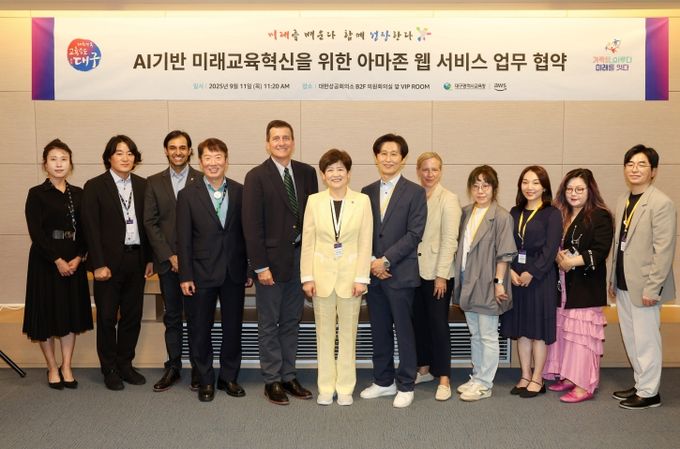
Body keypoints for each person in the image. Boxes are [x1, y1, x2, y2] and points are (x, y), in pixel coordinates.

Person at [242, 120, 318, 405]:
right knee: (269, 323)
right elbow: (251, 225)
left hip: (301, 259)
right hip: (271, 264)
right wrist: (260, 266)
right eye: (276, 138)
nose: (281, 142)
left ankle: (289, 375)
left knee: (291, 321)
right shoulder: (256, 176)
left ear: (293, 142)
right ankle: (272, 379)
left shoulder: (307, 172)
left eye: (286, 138)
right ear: (267, 143)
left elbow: (313, 218)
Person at [177, 138, 250, 402]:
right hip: (200, 272)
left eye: (218, 157)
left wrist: (248, 269)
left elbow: (248, 233)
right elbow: (183, 238)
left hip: (233, 271)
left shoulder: (241, 191)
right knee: (200, 329)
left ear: (226, 161)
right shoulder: (187, 195)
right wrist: (185, 275)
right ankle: (205, 379)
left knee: (233, 327)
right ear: (200, 162)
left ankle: (228, 377)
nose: (213, 163)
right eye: (207, 158)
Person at [359, 133, 427, 409]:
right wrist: (373, 262)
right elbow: (362, 232)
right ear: (376, 157)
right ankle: (383, 381)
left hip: (400, 273)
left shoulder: (415, 192)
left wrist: (385, 261)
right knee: (379, 330)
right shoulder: (366, 192)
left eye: (394, 154)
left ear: (403, 159)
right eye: (383, 153)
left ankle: (406, 383)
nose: (388, 158)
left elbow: (414, 234)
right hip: (373, 274)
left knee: (404, 331)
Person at [300, 149, 373, 406]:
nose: (335, 174)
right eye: (330, 170)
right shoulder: (314, 201)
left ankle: (344, 387)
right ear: (323, 175)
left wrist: (362, 277)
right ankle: (325, 386)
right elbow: (308, 241)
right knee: (324, 335)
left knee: (348, 336)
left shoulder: (362, 201)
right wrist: (307, 277)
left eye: (340, 169)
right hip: (321, 278)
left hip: (351, 279)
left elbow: (365, 241)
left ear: (348, 173)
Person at [82, 135, 154, 391]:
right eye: (119, 153)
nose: (125, 158)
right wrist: (98, 264)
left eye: (130, 153)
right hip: (108, 264)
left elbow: (149, 225)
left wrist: (149, 259)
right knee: (106, 317)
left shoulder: (144, 185)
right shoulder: (94, 186)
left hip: (137, 259)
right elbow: (90, 228)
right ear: (109, 157)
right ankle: (109, 368)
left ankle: (125, 364)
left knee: (132, 316)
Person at [608, 145, 676, 410]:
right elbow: (619, 244)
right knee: (632, 338)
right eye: (630, 164)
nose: (634, 169)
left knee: (647, 340)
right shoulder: (623, 199)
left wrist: (653, 288)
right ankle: (641, 384)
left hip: (645, 287)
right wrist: (613, 280)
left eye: (642, 164)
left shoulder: (661, 203)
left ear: (653, 171)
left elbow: (664, 251)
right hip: (624, 282)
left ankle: (650, 393)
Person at [23, 139, 93, 389]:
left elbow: (86, 230)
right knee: (46, 315)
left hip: (74, 260)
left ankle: (66, 365)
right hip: (46, 261)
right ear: (45, 164)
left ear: (70, 163)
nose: (59, 164)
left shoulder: (79, 194)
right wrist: (57, 260)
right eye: (53, 159)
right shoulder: (36, 193)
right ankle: (52, 367)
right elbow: (36, 233)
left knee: (69, 314)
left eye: (64, 159)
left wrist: (79, 257)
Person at [543, 169, 613, 403]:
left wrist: (571, 262)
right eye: (570, 189)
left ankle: (584, 385)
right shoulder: (561, 214)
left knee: (581, 337)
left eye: (579, 189)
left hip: (585, 285)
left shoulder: (600, 215)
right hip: (563, 285)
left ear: (589, 191)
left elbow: (600, 250)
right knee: (566, 333)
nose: (574, 194)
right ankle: (569, 376)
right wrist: (557, 257)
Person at [144, 130, 202, 392]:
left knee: (197, 318)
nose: (178, 152)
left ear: (190, 151)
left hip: (197, 264)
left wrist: (187, 258)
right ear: (166, 151)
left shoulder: (202, 179)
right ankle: (174, 366)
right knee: (172, 318)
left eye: (182, 148)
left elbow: (207, 224)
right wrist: (169, 255)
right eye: (172, 148)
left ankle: (199, 368)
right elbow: (150, 222)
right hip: (167, 264)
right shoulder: (153, 182)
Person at [453, 165, 517, 401]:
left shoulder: (501, 216)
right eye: (476, 186)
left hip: (488, 283)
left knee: (488, 335)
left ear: (494, 188)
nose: (480, 191)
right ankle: (477, 376)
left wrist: (499, 283)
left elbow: (505, 255)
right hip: (467, 282)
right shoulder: (465, 213)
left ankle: (484, 384)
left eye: (485, 185)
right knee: (475, 334)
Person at [500, 165, 562, 398]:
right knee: (523, 330)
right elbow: (506, 245)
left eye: (536, 182)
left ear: (544, 187)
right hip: (516, 277)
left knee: (538, 331)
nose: (530, 187)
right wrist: (511, 272)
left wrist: (532, 273)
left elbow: (551, 249)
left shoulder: (552, 213)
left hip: (540, 279)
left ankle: (538, 378)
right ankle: (525, 375)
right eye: (525, 182)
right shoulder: (514, 212)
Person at [412, 152, 461, 401]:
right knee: (418, 323)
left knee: (438, 325)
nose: (429, 174)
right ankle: (424, 369)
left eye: (434, 169)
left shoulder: (448, 199)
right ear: (418, 171)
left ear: (441, 171)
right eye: (425, 169)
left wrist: (441, 275)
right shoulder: (414, 195)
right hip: (414, 271)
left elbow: (450, 239)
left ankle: (444, 377)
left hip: (437, 273)